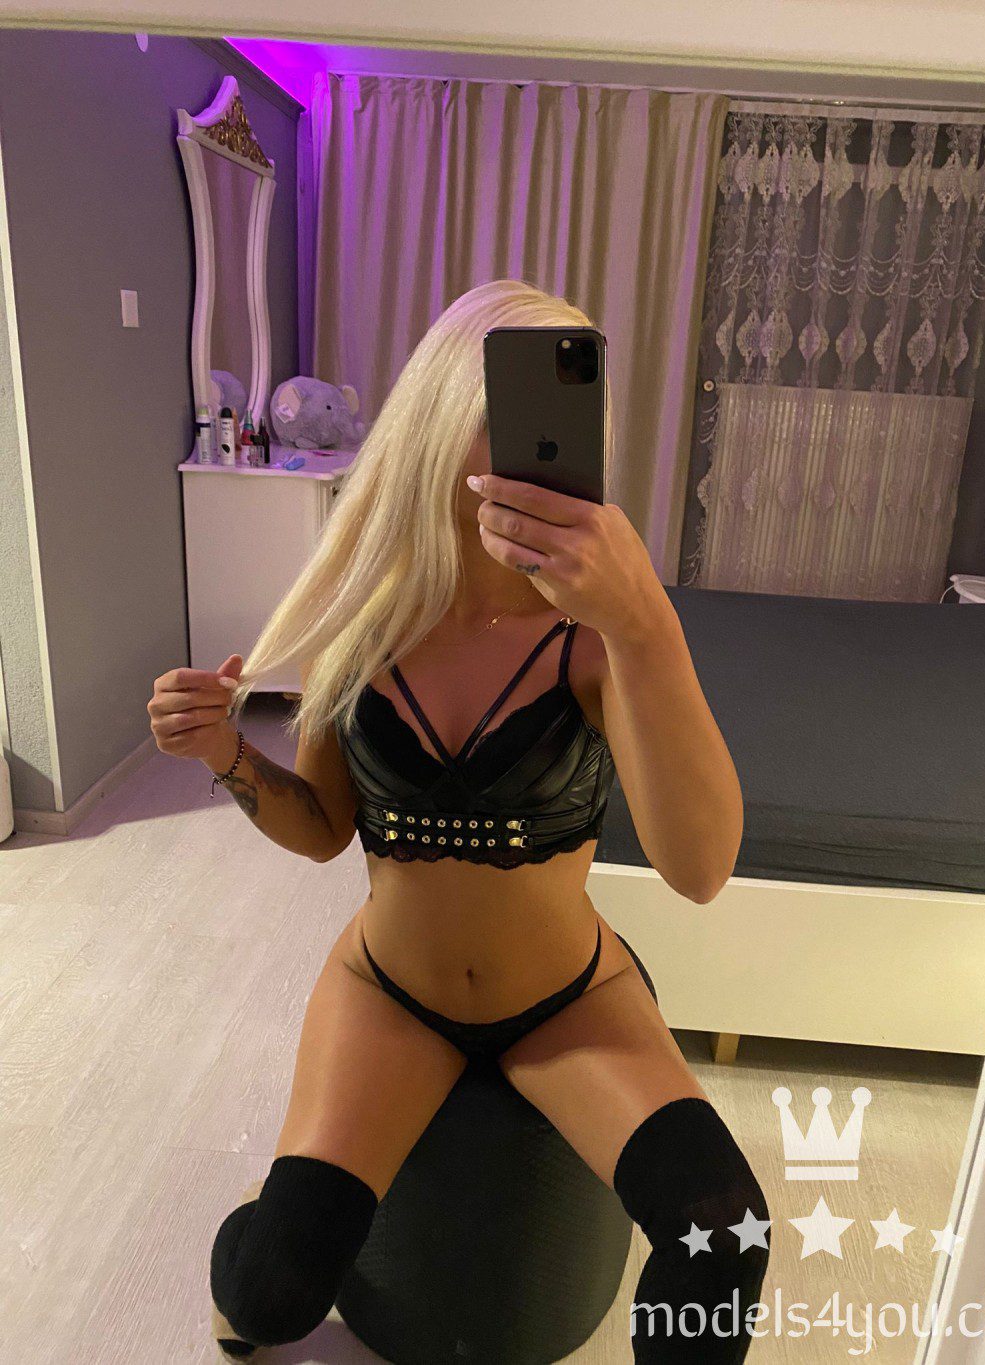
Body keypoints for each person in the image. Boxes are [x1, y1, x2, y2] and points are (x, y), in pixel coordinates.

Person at [149, 279, 771, 1361]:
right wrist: (225, 756)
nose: (542, 449)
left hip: (569, 1000)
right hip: (387, 995)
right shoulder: (361, 622)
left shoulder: (596, 639)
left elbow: (702, 868)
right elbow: (323, 827)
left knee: (724, 1239)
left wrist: (645, 622)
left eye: (568, 417)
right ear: (439, 419)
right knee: (268, 1298)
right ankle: (263, 1213)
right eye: (510, 410)